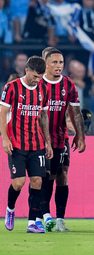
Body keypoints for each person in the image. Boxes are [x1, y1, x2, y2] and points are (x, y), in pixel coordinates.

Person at [0, 56, 53, 233]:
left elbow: (43, 116)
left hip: (36, 143)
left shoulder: (43, 89)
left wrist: (48, 141)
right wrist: (5, 139)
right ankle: (10, 209)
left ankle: (32, 223)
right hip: (16, 143)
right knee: (19, 183)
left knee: (37, 181)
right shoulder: (11, 87)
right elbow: (2, 113)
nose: (37, 80)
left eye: (41, 77)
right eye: (35, 76)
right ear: (27, 70)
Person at [39, 49, 86, 232]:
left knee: (62, 175)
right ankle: (42, 214)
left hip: (61, 137)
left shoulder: (68, 85)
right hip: (41, 139)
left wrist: (80, 136)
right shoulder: (38, 83)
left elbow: (76, 112)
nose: (59, 66)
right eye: (55, 63)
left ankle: (59, 219)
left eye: (61, 62)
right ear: (46, 64)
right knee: (45, 177)